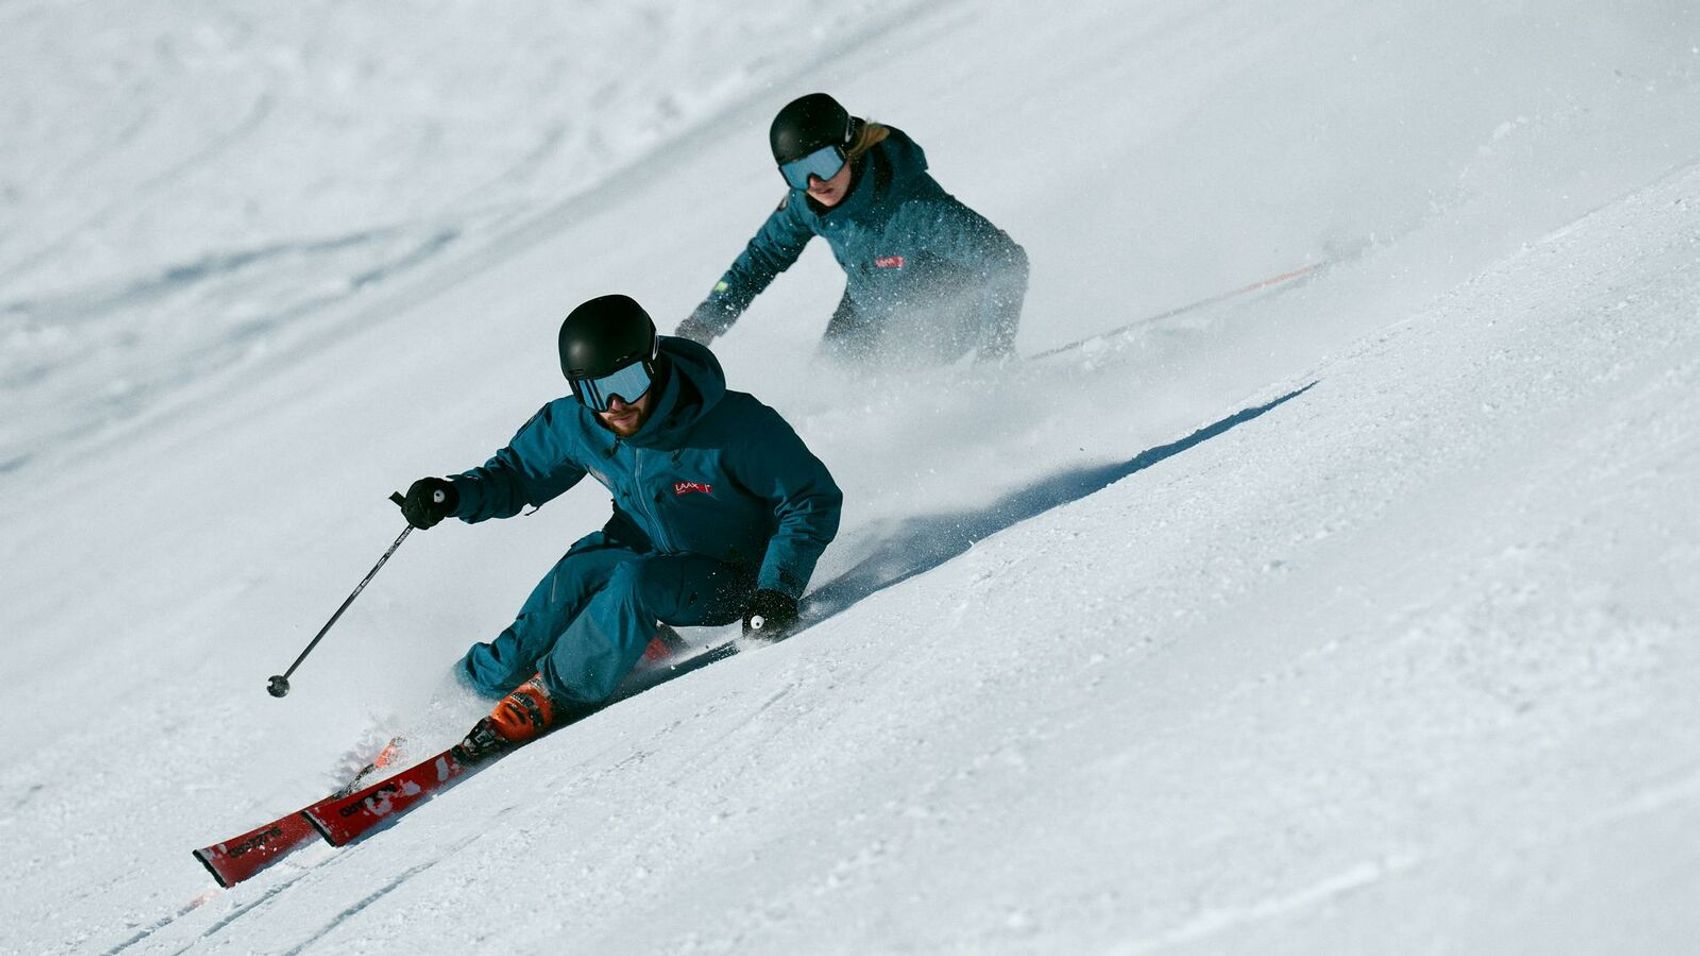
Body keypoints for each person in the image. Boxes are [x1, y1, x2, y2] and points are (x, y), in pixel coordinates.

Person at [398, 293, 842, 756]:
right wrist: (453, 494)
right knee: (577, 573)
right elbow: (517, 474)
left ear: (653, 364)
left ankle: (555, 691)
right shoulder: (580, 422)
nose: (614, 404)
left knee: (635, 581)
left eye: (627, 382)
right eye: (593, 391)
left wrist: (777, 588)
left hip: (731, 575)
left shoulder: (734, 427)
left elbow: (811, 499)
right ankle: (470, 690)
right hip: (645, 543)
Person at [677, 92, 1029, 365]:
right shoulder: (806, 204)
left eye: (823, 162)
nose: (814, 182)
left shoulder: (913, 206)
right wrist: (703, 324)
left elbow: (1005, 260)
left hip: (942, 323)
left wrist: (994, 351)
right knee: (827, 385)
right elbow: (761, 259)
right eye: (798, 173)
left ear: (851, 147)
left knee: (888, 382)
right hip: (867, 310)